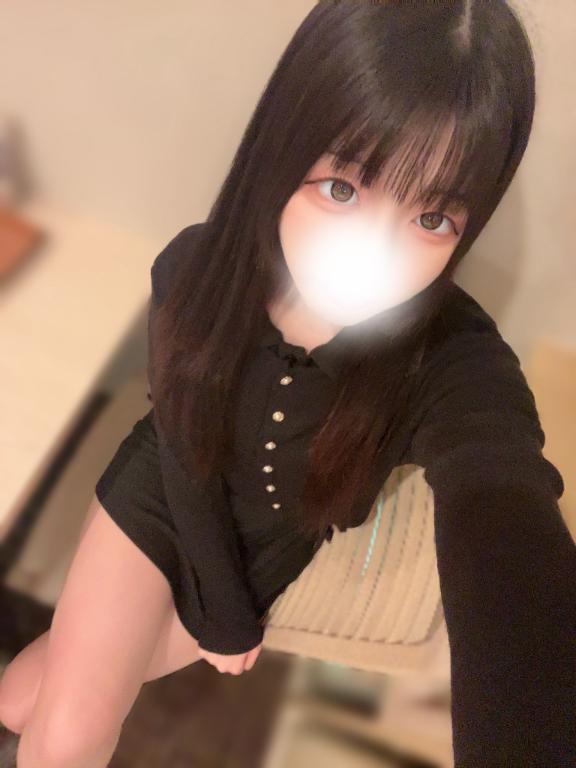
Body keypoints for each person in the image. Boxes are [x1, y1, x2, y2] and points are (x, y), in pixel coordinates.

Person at [1, 1, 574, 766]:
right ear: (282, 154)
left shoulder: (447, 356)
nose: (377, 255)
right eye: (343, 189)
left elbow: (500, 491)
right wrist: (225, 616)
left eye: (432, 218)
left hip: (265, 554)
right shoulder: (196, 270)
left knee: (28, 700)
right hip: (165, 499)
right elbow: (180, 449)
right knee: (67, 739)